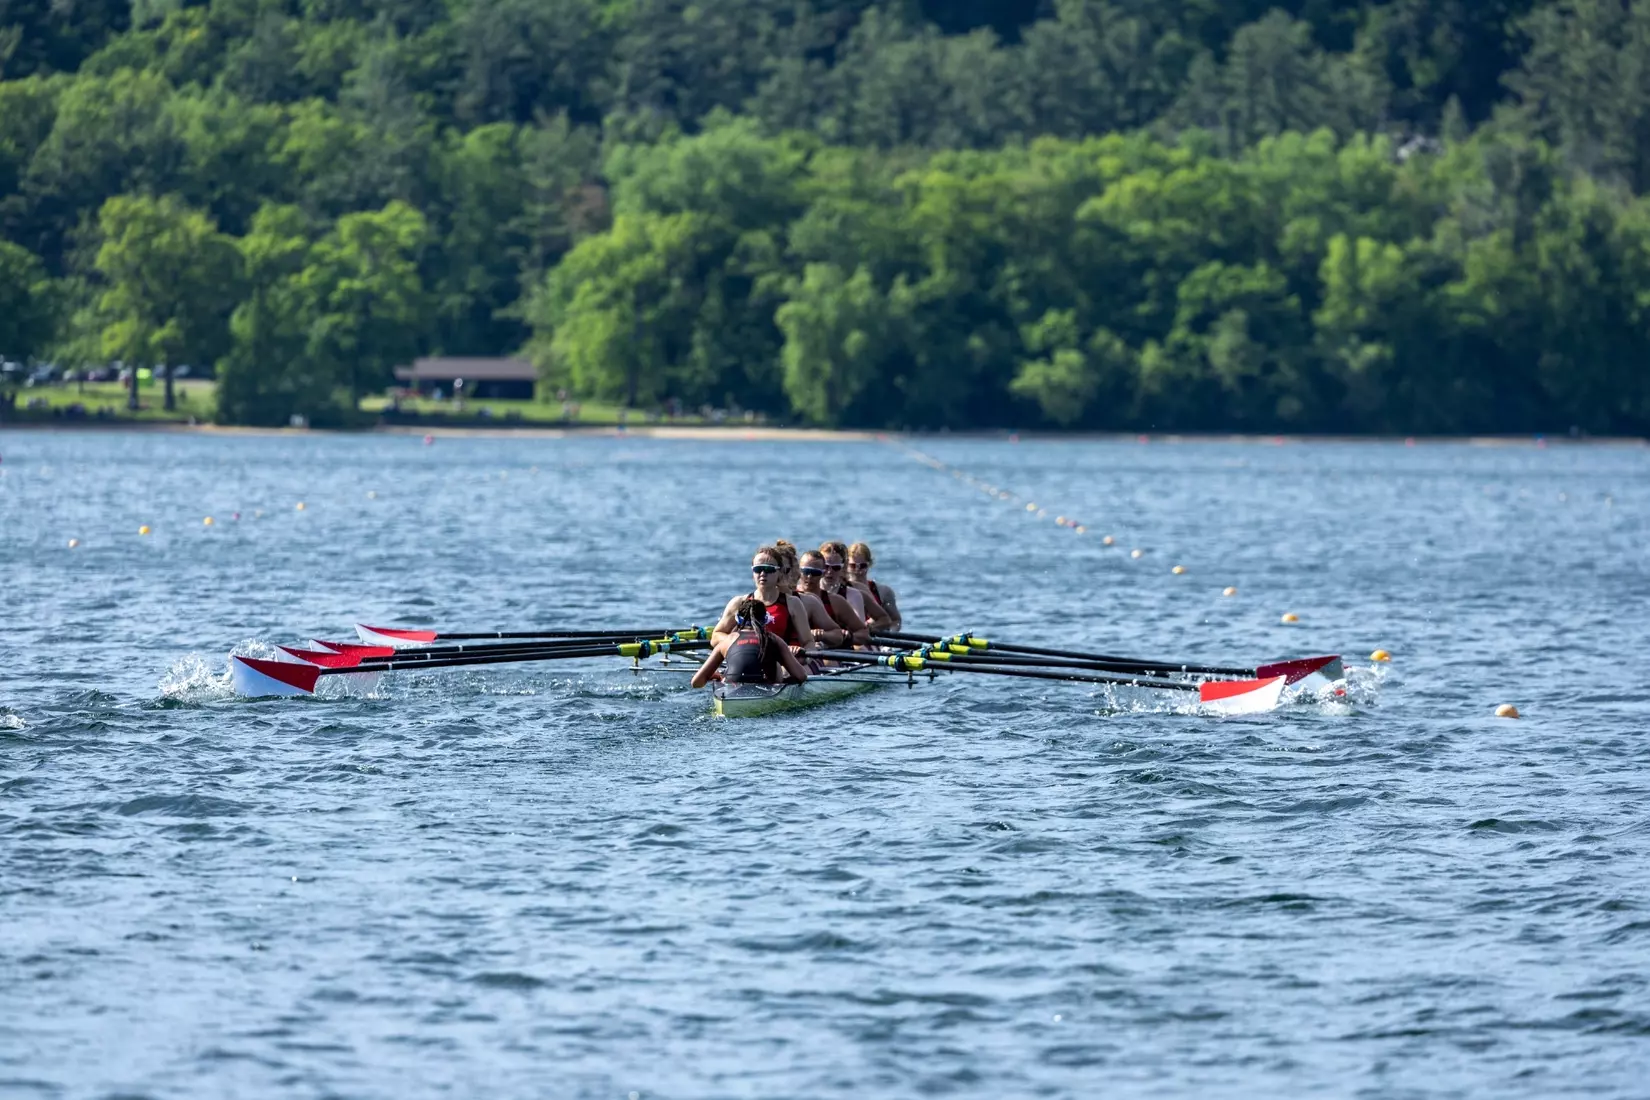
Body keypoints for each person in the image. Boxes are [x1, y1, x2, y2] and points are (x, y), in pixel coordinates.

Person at [692, 596, 811, 688]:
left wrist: (717, 676)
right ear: (765, 620)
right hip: (766, 689)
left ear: (738, 619)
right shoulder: (774, 639)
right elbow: (801, 676)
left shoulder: (727, 640)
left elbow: (696, 682)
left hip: (731, 689)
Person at [711, 545, 813, 650]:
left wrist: (803, 656)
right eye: (758, 569)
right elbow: (716, 636)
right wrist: (738, 641)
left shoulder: (793, 603)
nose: (763, 574)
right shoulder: (738, 603)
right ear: (752, 572)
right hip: (747, 658)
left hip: (779, 661)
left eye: (769, 569)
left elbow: (808, 642)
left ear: (779, 572)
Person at [797, 549, 867, 647]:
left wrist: (847, 637)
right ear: (798, 570)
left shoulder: (836, 602)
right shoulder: (789, 598)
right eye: (805, 571)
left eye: (815, 573)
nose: (809, 576)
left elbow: (864, 633)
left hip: (832, 655)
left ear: (823, 573)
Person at [819, 540, 893, 632]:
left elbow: (884, 620)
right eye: (826, 566)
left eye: (835, 567)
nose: (829, 572)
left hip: (852, 643)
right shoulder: (805, 590)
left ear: (844, 566)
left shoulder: (857, 591)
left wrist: (866, 627)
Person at [847, 541, 901, 630]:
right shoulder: (840, 589)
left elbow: (896, 621)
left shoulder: (884, 591)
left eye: (862, 566)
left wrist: (890, 634)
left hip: (877, 639)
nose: (857, 570)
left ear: (869, 564)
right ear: (846, 565)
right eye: (853, 566)